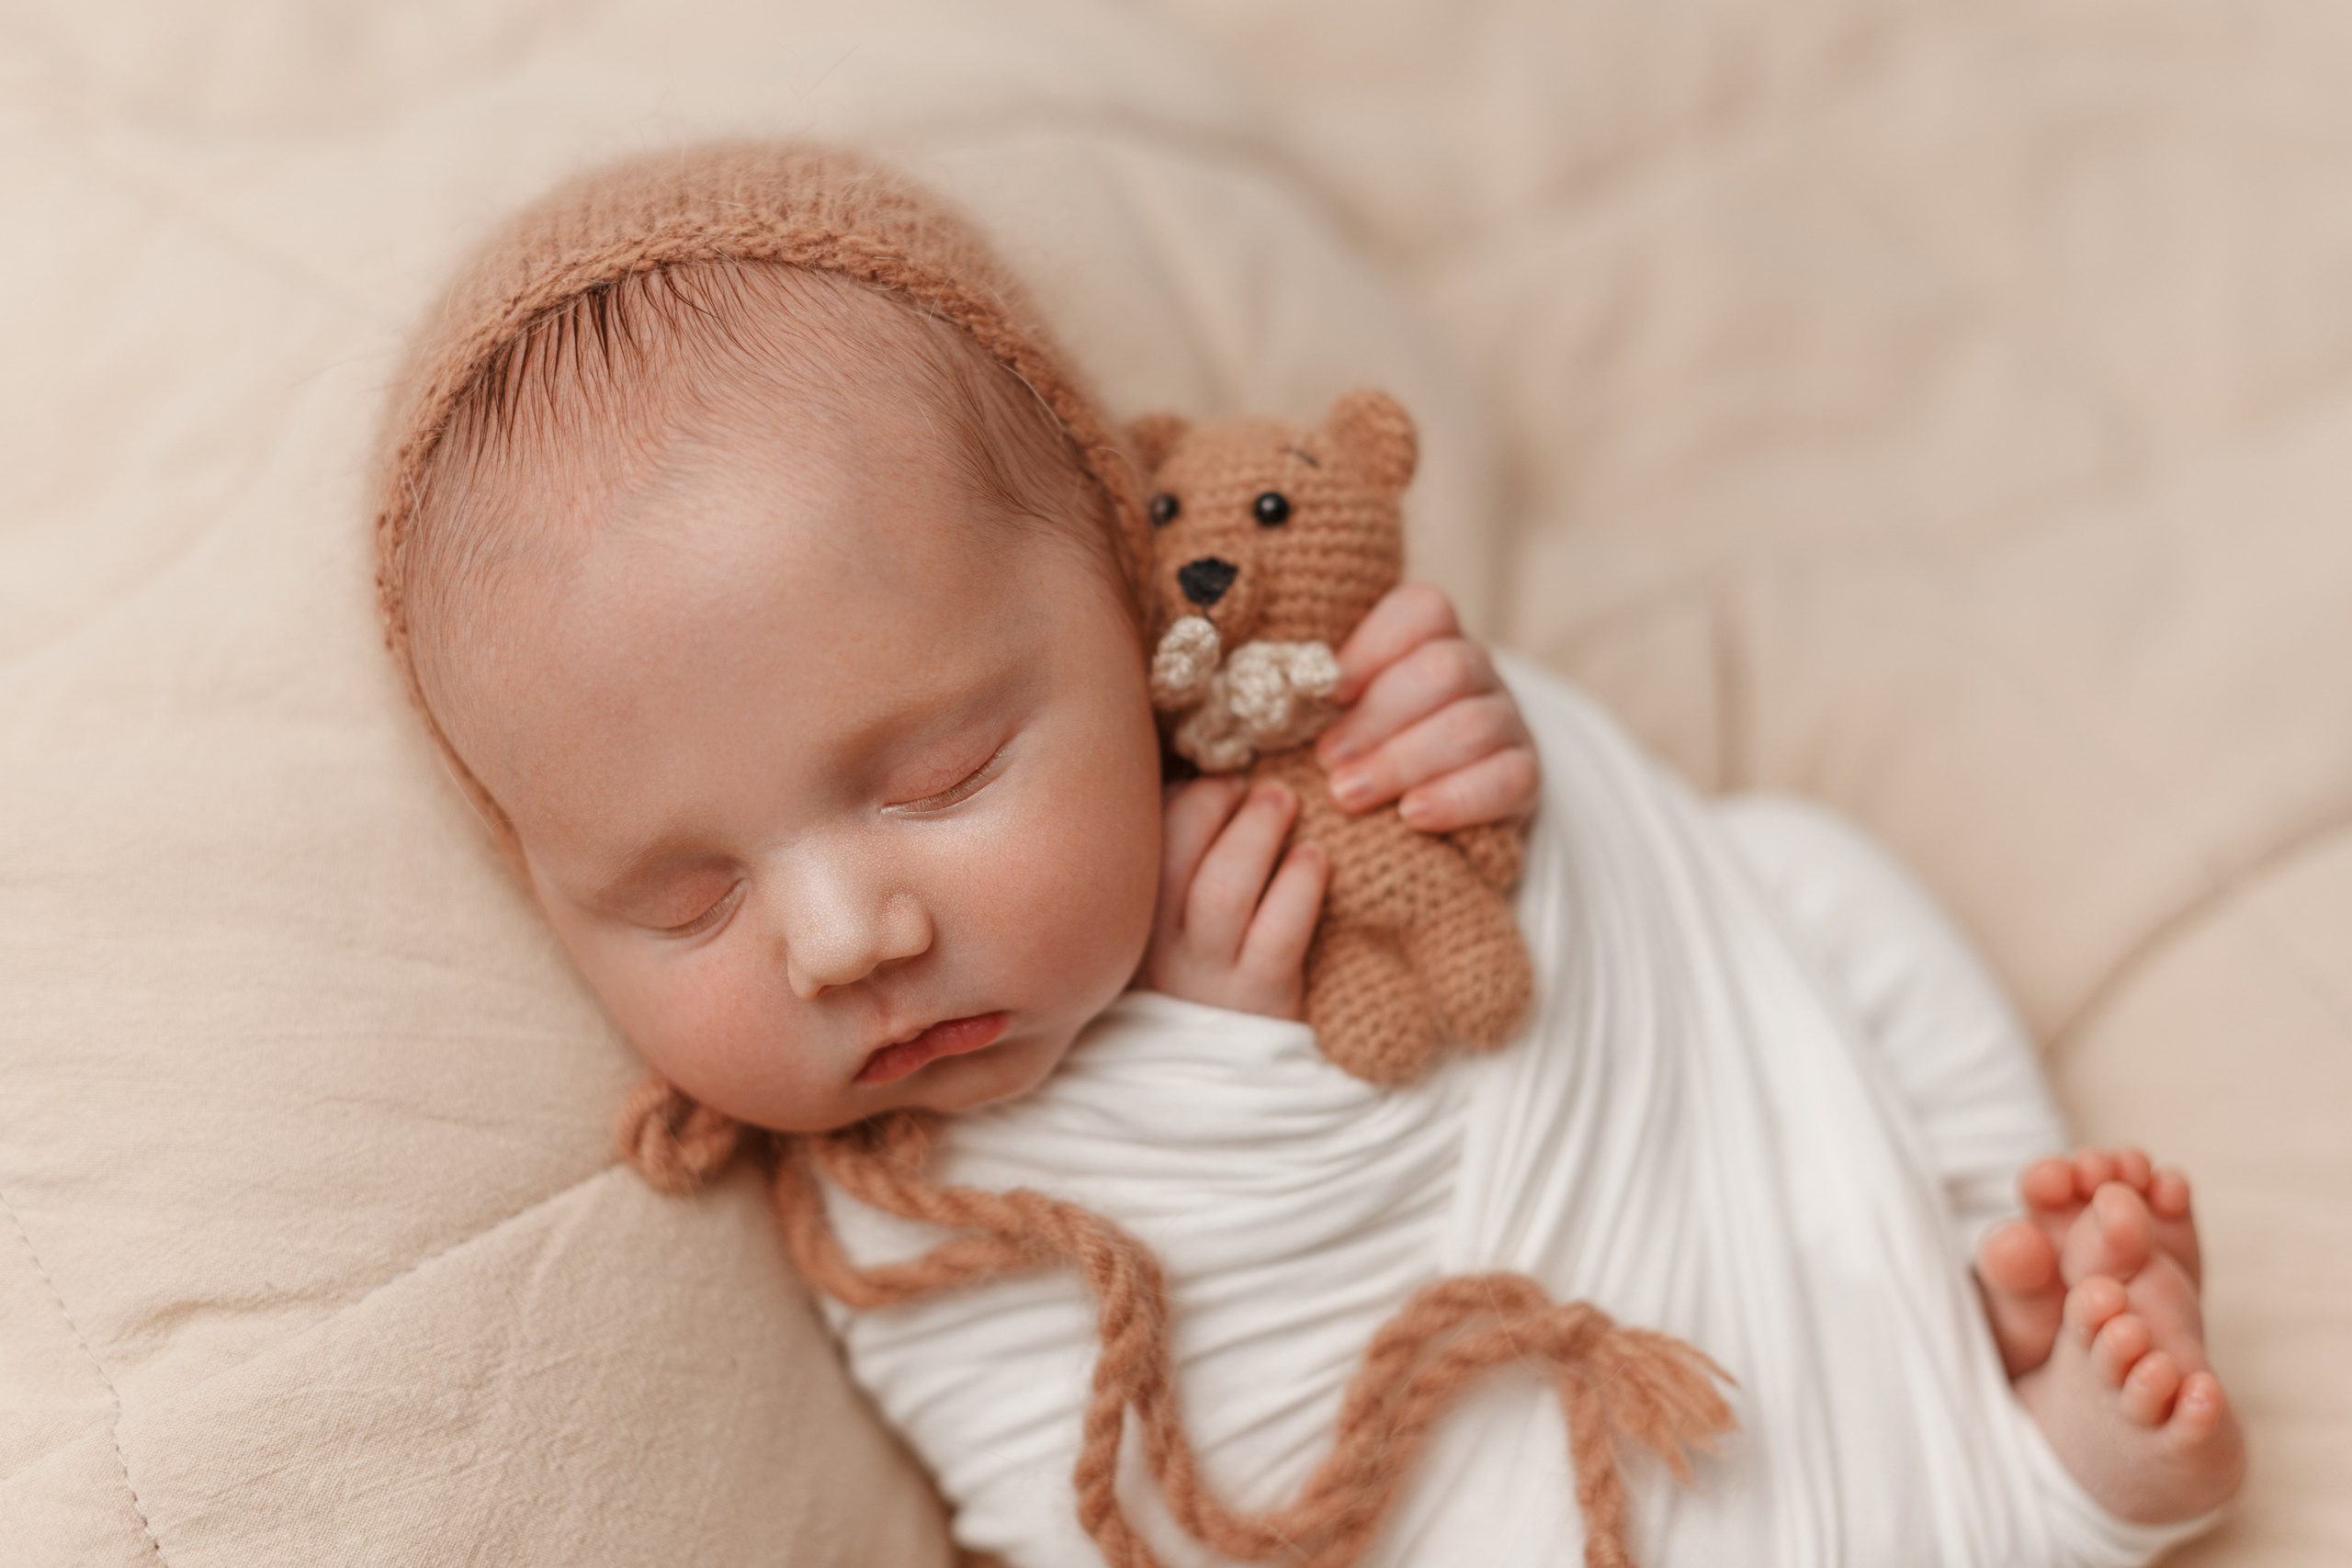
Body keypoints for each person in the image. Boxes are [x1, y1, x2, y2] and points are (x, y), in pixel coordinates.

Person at [372, 143, 2243, 1566]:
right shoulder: (916, 1229)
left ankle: (2005, 1335)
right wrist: (1244, 1067)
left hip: (1778, 1333)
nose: (846, 933)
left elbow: (1593, 949)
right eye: (685, 897)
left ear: (1127, 609)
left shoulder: (1292, 731)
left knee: (1805, 875)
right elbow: (1151, 1508)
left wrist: (1470, 769)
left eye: (939, 774)